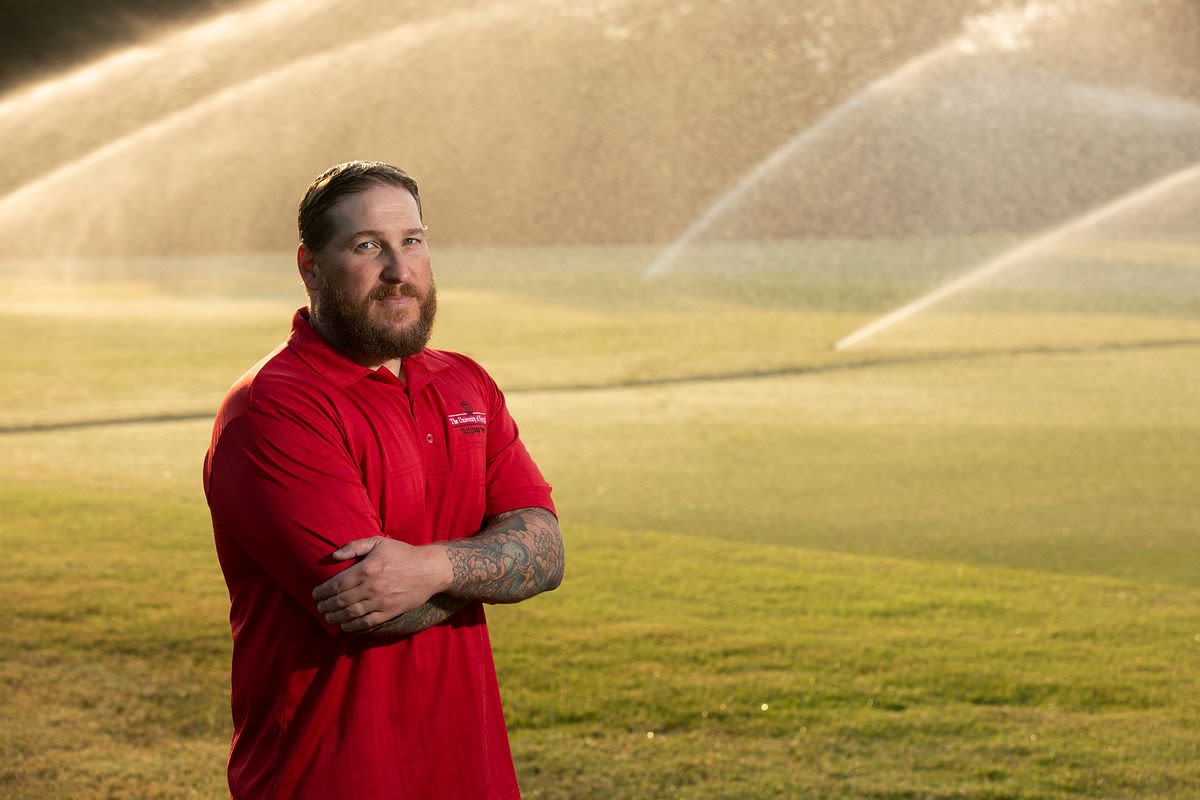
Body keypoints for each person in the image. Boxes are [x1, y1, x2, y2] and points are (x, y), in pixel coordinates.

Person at [203, 160, 564, 799]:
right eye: (368, 246)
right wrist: (492, 561)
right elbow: (370, 610)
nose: (399, 271)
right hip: (329, 778)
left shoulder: (465, 382)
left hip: (471, 777)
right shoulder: (272, 407)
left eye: (413, 242)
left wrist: (432, 568)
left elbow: (548, 555)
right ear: (309, 266)